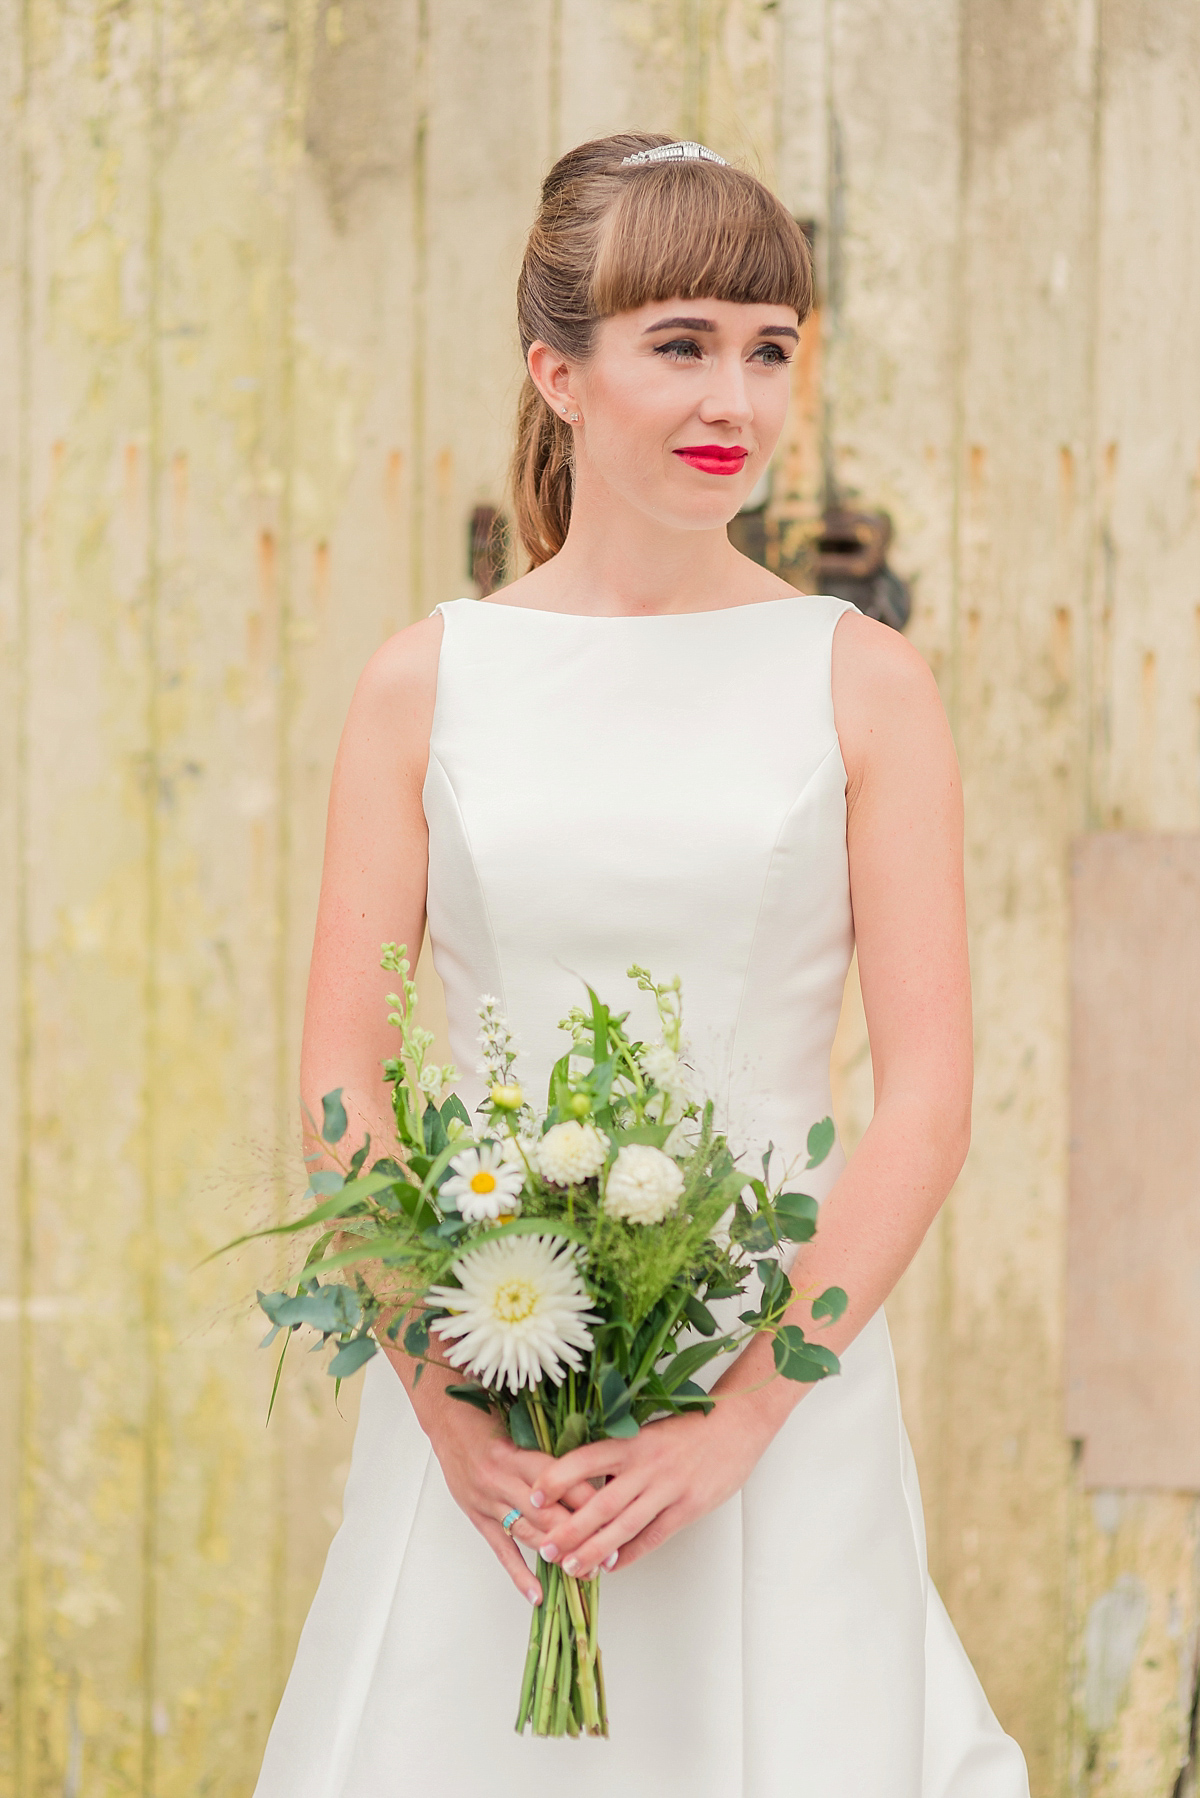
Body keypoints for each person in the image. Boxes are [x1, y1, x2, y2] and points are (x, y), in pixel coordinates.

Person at [253, 132, 1030, 1797]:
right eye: (681, 343)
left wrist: (743, 1415)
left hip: (778, 1386)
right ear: (558, 368)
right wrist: (449, 1404)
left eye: (769, 350)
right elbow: (343, 1084)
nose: (733, 399)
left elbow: (930, 1092)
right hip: (494, 1370)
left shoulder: (864, 681)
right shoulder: (427, 681)